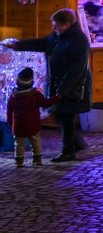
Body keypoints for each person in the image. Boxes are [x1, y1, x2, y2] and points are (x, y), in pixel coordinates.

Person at [3, 9, 92, 162]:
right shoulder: (59, 36)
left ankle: (68, 151)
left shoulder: (79, 41)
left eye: (56, 26)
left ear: (67, 24)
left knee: (66, 115)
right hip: (60, 83)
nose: (53, 28)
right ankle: (75, 143)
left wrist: (63, 91)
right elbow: (43, 43)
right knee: (61, 114)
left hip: (73, 85)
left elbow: (75, 70)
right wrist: (18, 45)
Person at [5, 67, 58, 167]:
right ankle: (37, 160)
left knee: (19, 143)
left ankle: (19, 162)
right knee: (35, 141)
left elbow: (9, 112)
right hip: (32, 124)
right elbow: (45, 103)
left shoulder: (13, 96)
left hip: (18, 125)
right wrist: (57, 98)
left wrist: (10, 123)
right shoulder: (36, 95)